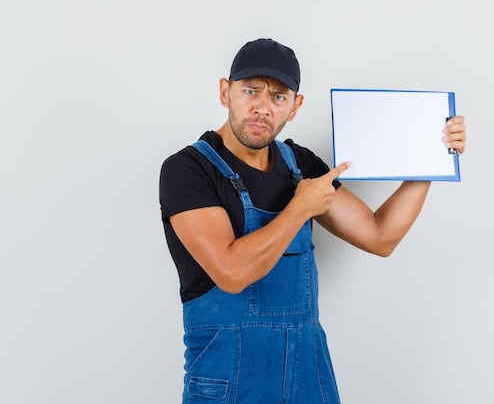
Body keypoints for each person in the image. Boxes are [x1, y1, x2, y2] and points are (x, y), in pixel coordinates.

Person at [159, 38, 467, 404]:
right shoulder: (188, 170)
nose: (261, 108)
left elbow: (380, 236)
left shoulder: (300, 166)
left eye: (278, 97)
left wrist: (429, 160)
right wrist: (300, 208)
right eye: (250, 91)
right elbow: (231, 272)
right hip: (229, 378)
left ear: (295, 106)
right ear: (225, 91)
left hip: (307, 374)